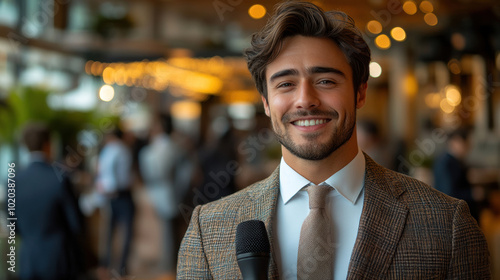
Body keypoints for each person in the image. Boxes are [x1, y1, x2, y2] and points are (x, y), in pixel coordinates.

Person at [177, 2, 490, 279]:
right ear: (266, 102)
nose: (305, 100)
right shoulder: (209, 229)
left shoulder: (445, 223)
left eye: (325, 81)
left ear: (360, 92)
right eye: (285, 84)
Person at [16, 122, 84, 280]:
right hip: (58, 261)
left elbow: (13, 225)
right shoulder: (59, 177)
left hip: (27, 259)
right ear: (48, 144)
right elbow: (76, 223)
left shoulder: (14, 180)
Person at [139, 113, 179, 274]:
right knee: (165, 231)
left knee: (167, 232)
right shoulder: (169, 146)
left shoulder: (165, 146)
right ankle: (166, 262)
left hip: (164, 194)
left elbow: (159, 171)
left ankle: (168, 263)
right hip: (164, 193)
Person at [96, 127, 135, 276]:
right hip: (121, 193)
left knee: (109, 232)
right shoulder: (121, 149)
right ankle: (122, 268)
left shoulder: (108, 150)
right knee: (126, 233)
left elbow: (101, 171)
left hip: (111, 195)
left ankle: (105, 265)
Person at [433, 128, 478, 219]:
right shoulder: (445, 163)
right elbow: (448, 193)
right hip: (453, 214)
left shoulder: (455, 160)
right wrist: (472, 194)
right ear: (455, 141)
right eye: (466, 143)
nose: (469, 147)